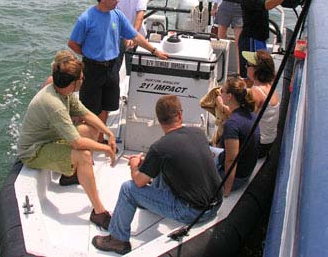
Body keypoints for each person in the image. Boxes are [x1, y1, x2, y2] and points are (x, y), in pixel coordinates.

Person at [92, 95, 222, 255]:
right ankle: (152, 204)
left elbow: (139, 182)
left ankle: (118, 240)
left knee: (128, 189)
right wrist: (148, 161)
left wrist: (134, 166)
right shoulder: (198, 133)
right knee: (160, 165)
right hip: (215, 205)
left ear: (159, 120)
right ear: (180, 115)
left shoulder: (160, 148)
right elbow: (180, 156)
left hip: (193, 212)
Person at [16, 51, 117, 229]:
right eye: (82, 77)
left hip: (50, 138)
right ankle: (99, 212)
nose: (84, 79)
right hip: (34, 151)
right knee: (83, 155)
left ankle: (70, 175)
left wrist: (108, 133)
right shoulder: (53, 104)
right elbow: (77, 143)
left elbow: (85, 113)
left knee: (92, 129)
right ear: (74, 83)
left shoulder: (65, 93)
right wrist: (106, 149)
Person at [68, 0, 169, 142]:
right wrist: (89, 55)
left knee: (106, 106)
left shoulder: (117, 15)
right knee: (89, 109)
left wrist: (154, 51)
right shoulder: (86, 19)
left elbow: (135, 36)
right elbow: (73, 43)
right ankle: (85, 140)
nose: (118, 0)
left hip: (112, 67)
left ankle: (99, 138)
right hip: (92, 69)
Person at [239, 0, 303, 76]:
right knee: (251, 75)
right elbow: (267, 5)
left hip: (260, 39)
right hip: (251, 40)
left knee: (259, 73)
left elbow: (279, 0)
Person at [214, 77, 259, 197]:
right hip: (245, 172)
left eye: (222, 91)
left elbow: (231, 160)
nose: (219, 92)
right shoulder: (250, 114)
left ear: (229, 97)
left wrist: (226, 190)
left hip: (236, 179)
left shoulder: (232, 124)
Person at [212, 0, 245, 74]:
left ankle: (239, 71)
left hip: (239, 9)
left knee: (239, 42)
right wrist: (215, 7)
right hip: (225, 6)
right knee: (221, 39)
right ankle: (218, 69)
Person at [243, 50, 279, 157]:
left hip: (258, 146)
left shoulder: (256, 93)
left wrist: (222, 104)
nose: (245, 67)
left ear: (256, 70)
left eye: (248, 65)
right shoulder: (270, 86)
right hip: (267, 143)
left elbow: (244, 122)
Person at [115, 0, 148, 72]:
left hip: (136, 33)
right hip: (118, 36)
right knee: (115, 68)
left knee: (136, 70)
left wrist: (133, 35)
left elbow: (140, 13)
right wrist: (125, 37)